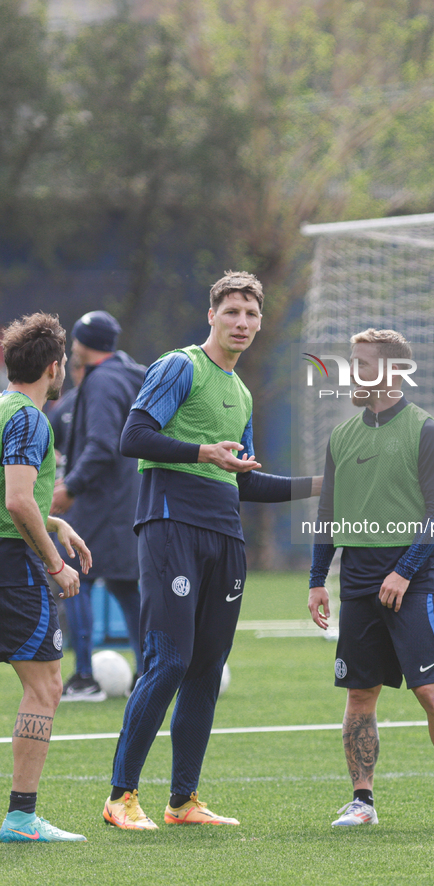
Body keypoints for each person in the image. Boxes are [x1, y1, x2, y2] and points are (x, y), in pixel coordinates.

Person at [103, 271, 321, 830]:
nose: (242, 323)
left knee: (205, 668)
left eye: (251, 314)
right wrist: (203, 452)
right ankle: (120, 797)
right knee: (169, 661)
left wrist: (322, 485)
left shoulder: (243, 393)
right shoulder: (181, 366)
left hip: (225, 535)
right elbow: (133, 437)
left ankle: (183, 802)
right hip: (171, 525)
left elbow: (244, 480)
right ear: (211, 316)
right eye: (232, 313)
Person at [308, 328, 434, 828]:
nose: (351, 373)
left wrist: (404, 572)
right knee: (360, 694)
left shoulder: (427, 431)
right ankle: (363, 802)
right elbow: (327, 513)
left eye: (361, 364)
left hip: (414, 580)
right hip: (357, 582)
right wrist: (318, 579)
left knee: (429, 690)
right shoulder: (341, 436)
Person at [0, 312, 92, 843]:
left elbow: (15, 495)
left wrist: (55, 521)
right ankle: (21, 817)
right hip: (14, 566)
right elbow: (15, 500)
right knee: (46, 685)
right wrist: (55, 564)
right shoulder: (31, 419)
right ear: (54, 367)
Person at [50, 312, 145, 700]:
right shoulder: (130, 373)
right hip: (131, 499)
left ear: (82, 345)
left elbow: (103, 445)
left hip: (101, 500)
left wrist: (71, 487)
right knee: (126, 586)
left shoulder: (101, 380)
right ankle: (148, 674)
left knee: (75, 578)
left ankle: (85, 678)